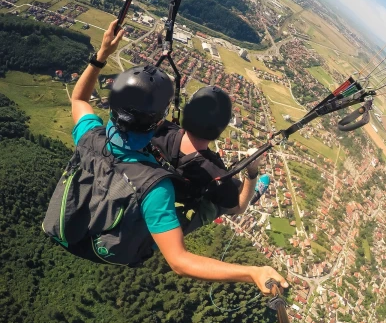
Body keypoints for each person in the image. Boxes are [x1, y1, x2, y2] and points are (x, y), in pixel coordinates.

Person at [42, 21, 288, 294]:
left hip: (73, 224)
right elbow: (180, 261)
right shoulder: (156, 189)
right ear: (155, 123)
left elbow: (78, 100)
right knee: (210, 208)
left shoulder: (90, 135)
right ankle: (248, 188)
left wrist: (101, 55)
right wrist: (251, 272)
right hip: (112, 245)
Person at [152, 86, 263, 234]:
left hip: (150, 190)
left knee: (231, 185)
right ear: (220, 130)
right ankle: (250, 190)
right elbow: (239, 208)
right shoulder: (214, 173)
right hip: (174, 209)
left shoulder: (160, 131)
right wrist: (252, 171)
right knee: (229, 193)